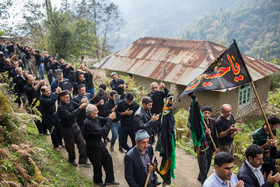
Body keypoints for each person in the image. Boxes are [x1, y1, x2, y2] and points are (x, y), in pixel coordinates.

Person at [83, 104, 119, 186]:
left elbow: (104, 119)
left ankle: (110, 180)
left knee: (108, 160)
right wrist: (110, 120)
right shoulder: (88, 123)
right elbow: (103, 132)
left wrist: (110, 116)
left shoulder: (96, 117)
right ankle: (97, 180)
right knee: (97, 164)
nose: (98, 112)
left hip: (99, 144)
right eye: (96, 111)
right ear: (91, 114)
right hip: (92, 147)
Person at [57, 90, 90, 166]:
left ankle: (83, 160)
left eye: (68, 97)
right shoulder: (61, 107)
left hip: (75, 126)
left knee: (82, 143)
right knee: (70, 146)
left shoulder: (70, 102)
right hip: (67, 129)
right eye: (66, 97)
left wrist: (82, 103)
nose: (68, 98)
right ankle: (71, 159)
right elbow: (70, 115)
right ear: (61, 98)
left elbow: (78, 105)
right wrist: (80, 107)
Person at [253, 115, 280, 179]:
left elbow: (273, 146)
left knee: (271, 178)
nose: (276, 127)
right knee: (260, 179)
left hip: (271, 160)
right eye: (275, 125)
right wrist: (266, 145)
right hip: (262, 161)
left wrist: (272, 150)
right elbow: (254, 150)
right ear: (270, 125)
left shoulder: (273, 131)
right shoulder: (257, 134)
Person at [197, 106, 219, 184]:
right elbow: (197, 135)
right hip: (202, 147)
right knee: (203, 164)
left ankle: (200, 177)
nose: (206, 115)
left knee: (208, 164)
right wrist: (205, 134)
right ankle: (204, 182)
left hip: (210, 146)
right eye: (205, 113)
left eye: (208, 113)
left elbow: (215, 135)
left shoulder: (213, 122)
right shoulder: (199, 122)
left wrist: (217, 146)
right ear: (202, 113)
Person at [39, 86, 63, 151]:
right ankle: (56, 145)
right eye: (46, 91)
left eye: (48, 90)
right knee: (53, 131)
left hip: (55, 115)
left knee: (59, 129)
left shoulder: (50, 94)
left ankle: (60, 141)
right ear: (43, 92)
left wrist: (58, 92)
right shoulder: (42, 99)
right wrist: (56, 93)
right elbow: (51, 101)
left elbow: (55, 96)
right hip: (48, 117)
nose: (48, 92)